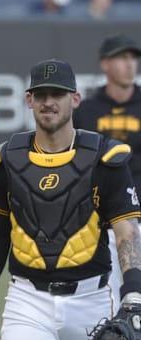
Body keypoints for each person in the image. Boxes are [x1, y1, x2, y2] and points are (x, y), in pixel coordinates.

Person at [0, 58, 141, 340]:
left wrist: (133, 291)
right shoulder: (7, 161)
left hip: (93, 301)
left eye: (57, 95)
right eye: (41, 95)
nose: (49, 103)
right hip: (27, 301)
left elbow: (127, 232)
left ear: (74, 99)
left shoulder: (105, 159)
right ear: (29, 100)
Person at [73, 33, 141, 306]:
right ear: (104, 64)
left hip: (139, 218)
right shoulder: (87, 110)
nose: (129, 64)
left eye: (132, 58)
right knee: (107, 304)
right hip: (101, 223)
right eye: (121, 58)